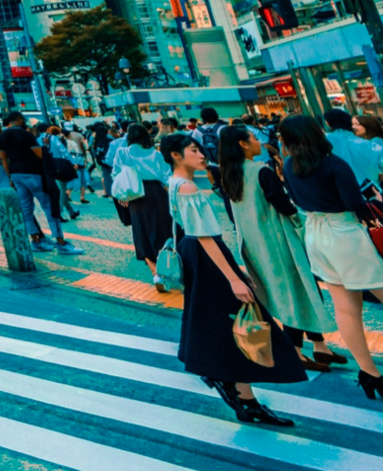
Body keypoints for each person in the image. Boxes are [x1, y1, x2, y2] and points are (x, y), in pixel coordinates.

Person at [163, 132, 304, 425]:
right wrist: (234, 278)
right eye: (194, 150)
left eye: (201, 149)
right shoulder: (187, 187)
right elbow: (204, 236)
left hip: (197, 256)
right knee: (240, 319)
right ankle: (240, 392)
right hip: (207, 255)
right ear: (177, 155)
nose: (202, 155)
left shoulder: (173, 182)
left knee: (223, 322)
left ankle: (241, 394)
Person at [215, 125, 339, 372]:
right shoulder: (261, 171)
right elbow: (284, 205)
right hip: (279, 241)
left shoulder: (229, 174)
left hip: (253, 245)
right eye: (253, 138)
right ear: (243, 144)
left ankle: (320, 346)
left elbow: (232, 214)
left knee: (295, 291)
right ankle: (296, 352)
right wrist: (302, 218)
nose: (258, 141)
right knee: (296, 291)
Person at [279, 114, 383, 400]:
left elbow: (297, 201)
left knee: (346, 307)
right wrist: (375, 202)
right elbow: (354, 205)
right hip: (345, 234)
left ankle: (369, 372)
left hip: (316, 235)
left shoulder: (289, 165)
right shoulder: (334, 164)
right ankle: (370, 374)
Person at [0, 111, 82, 255]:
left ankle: (36, 240)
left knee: (26, 207)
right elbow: (40, 154)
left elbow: (4, 158)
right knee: (49, 206)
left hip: (16, 174)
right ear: (18, 119)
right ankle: (60, 242)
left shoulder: (3, 136)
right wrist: (45, 146)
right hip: (33, 173)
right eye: (23, 119)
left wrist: (10, 176)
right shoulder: (26, 135)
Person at [111, 123, 175, 290]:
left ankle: (156, 274)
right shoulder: (156, 154)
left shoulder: (123, 152)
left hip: (135, 194)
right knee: (163, 231)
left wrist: (122, 196)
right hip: (158, 193)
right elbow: (167, 176)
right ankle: (167, 266)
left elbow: (116, 173)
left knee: (142, 232)